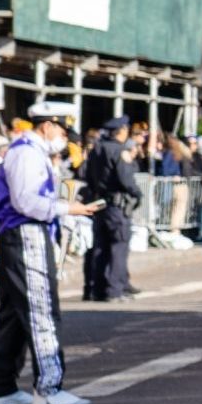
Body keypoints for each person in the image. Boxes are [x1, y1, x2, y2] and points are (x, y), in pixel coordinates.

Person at [0, 101, 102, 404]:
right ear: (47, 125)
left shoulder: (29, 151)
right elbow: (27, 202)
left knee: (13, 314)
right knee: (41, 310)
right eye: (63, 130)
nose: (65, 137)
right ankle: (48, 388)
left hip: (22, 234)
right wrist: (69, 209)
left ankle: (3, 388)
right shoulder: (26, 152)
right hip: (25, 233)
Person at [82, 116, 140, 302]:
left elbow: (87, 176)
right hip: (116, 204)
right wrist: (138, 194)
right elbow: (125, 179)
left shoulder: (96, 149)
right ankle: (115, 290)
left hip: (100, 203)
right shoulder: (119, 150)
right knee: (118, 246)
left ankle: (97, 289)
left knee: (100, 246)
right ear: (122, 131)